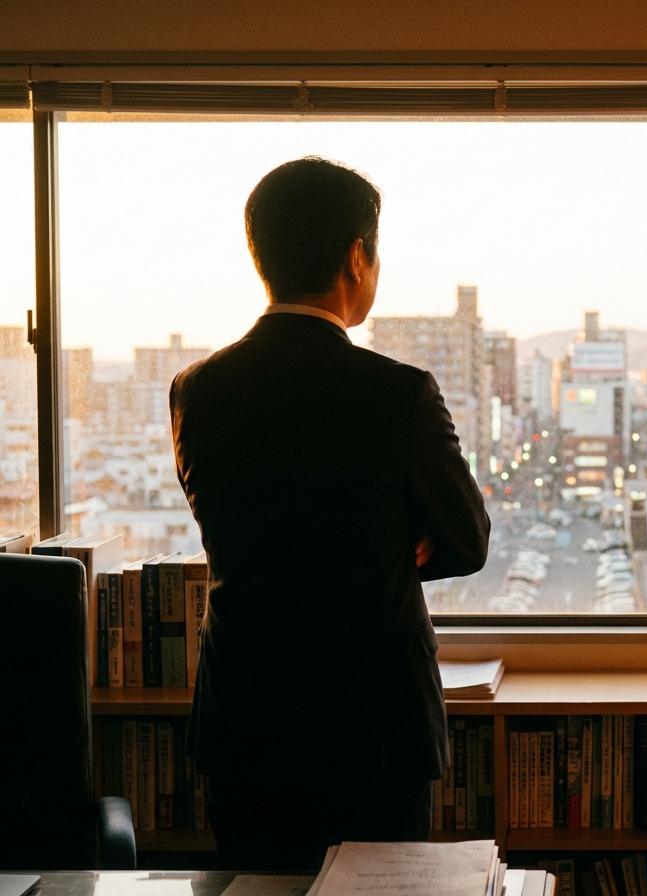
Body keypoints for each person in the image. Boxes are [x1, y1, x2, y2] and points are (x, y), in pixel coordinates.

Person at [170, 157, 490, 871]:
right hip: (375, 725)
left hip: (245, 719)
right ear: (357, 256)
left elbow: (237, 531)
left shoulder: (197, 389)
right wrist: (389, 541)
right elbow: (467, 542)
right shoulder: (397, 392)